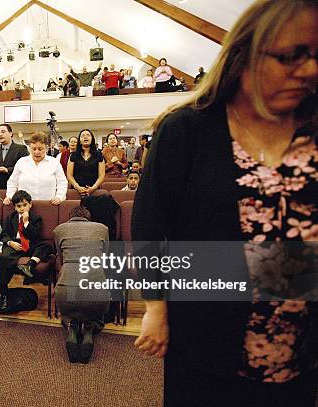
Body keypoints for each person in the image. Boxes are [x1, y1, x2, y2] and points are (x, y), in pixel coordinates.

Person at [133, 1, 317, 406]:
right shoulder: (188, 128)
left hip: (301, 352)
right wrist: (156, 308)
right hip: (206, 338)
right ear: (244, 54)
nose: (309, 70)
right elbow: (149, 225)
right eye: (290, 56)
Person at [53, 206, 110, 363]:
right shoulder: (102, 228)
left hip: (65, 296)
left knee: (66, 312)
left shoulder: (59, 230)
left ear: (70, 217)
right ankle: (90, 326)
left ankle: (72, 325)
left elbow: (61, 259)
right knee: (97, 307)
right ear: (88, 217)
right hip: (96, 295)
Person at [0, 190, 54, 311]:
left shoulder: (35, 218)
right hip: (15, 245)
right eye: (18, 206)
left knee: (47, 246)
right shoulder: (10, 217)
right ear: (15, 207)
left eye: (24, 205)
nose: (22, 208)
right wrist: (10, 242)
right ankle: (4, 293)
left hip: (30, 245)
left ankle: (29, 265)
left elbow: (34, 235)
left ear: (30, 204)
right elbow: (3, 234)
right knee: (3, 257)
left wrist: (26, 222)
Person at [4, 132, 67, 205]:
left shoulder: (54, 162)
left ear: (46, 148)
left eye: (40, 149)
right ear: (29, 148)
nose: (36, 152)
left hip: (49, 205)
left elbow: (62, 182)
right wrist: (9, 196)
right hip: (25, 206)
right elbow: (12, 182)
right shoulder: (22, 162)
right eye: (34, 149)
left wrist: (59, 197)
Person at [0, 124, 29, 189]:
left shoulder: (21, 149)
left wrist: (7, 170)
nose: (0, 134)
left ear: (10, 133)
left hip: (15, 188)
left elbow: (25, 166)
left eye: (3, 132)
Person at [67, 129, 106, 197]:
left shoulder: (99, 154)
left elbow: (102, 175)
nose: (85, 137)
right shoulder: (73, 155)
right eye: (83, 136)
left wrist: (94, 187)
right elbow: (69, 175)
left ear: (92, 139)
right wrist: (77, 187)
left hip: (94, 190)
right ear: (80, 141)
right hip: (76, 190)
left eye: (88, 135)